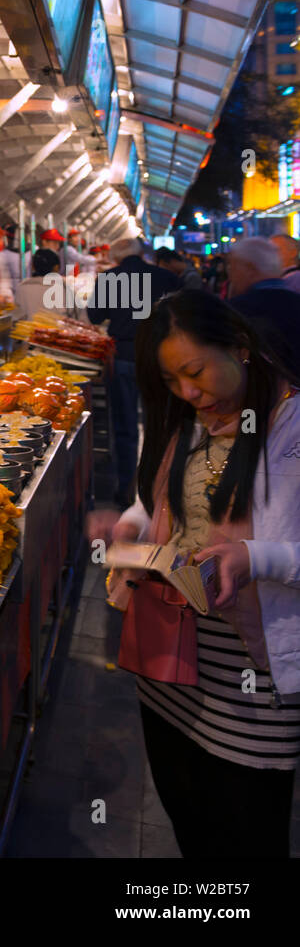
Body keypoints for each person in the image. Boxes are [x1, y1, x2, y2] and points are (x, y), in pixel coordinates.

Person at [87, 290, 300, 857]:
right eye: (171, 379)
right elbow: (164, 501)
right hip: (170, 664)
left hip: (252, 683)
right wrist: (131, 525)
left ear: (241, 348)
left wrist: (256, 558)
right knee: (191, 821)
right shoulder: (191, 420)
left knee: (247, 837)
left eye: (196, 371)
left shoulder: (292, 429)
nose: (187, 392)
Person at [88, 237, 181, 505]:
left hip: (124, 357)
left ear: (116, 257)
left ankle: (127, 489)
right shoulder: (166, 277)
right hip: (161, 358)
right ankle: (164, 488)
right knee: (164, 422)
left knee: (124, 426)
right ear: (142, 253)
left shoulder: (109, 278)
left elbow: (94, 316)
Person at [226, 236, 300, 380]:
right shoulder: (295, 301)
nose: (230, 275)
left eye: (233, 267)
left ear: (249, 269)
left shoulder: (236, 311)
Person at [14, 248, 64, 320]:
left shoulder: (21, 288)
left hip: (28, 331)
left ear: (33, 267)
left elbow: (17, 317)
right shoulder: (65, 290)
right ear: (56, 268)